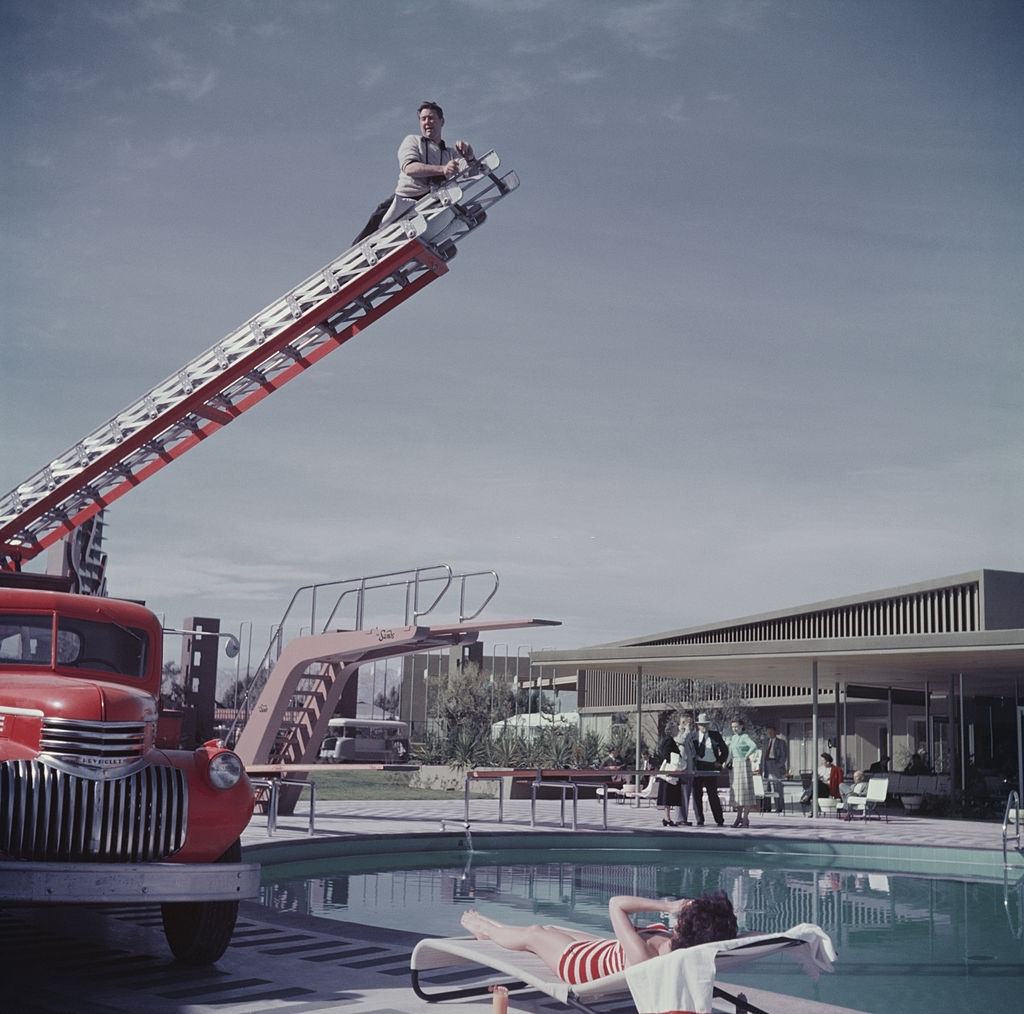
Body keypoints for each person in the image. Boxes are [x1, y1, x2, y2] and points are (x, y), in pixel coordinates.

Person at [459, 892, 738, 985]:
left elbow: (616, 904)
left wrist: (667, 906)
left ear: (686, 930)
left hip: (579, 965)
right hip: (604, 951)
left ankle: (486, 931)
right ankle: (495, 928)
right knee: (549, 928)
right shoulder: (681, 948)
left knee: (535, 933)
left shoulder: (647, 957)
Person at [352, 100, 475, 243]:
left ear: (442, 122)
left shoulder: (450, 153)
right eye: (423, 119)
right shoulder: (412, 141)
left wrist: (470, 157)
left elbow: (471, 173)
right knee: (374, 225)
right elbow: (409, 168)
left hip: (434, 202)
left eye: (431, 118)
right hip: (405, 200)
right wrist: (443, 169)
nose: (427, 122)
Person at [689, 713, 728, 827]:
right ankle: (699, 819)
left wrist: (719, 762)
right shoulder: (693, 736)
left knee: (712, 794)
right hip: (698, 766)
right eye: (702, 724)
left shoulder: (715, 735)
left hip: (711, 766)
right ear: (698, 725)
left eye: (706, 724)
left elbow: (725, 750)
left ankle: (719, 819)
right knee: (697, 794)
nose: (704, 727)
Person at [652, 715, 684, 827]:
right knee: (668, 796)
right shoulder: (669, 740)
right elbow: (666, 754)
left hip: (667, 771)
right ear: (672, 730)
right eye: (676, 729)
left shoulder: (666, 740)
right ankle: (667, 818)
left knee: (668, 796)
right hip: (669, 771)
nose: (677, 731)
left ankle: (667, 818)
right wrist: (673, 762)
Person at [726, 719, 758, 828]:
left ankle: (745, 818)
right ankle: (738, 817)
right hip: (735, 766)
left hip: (743, 765)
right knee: (738, 794)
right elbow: (730, 753)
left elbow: (753, 746)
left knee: (745, 793)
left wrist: (746, 755)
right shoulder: (733, 738)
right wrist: (726, 762)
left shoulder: (745, 737)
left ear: (741, 726)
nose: (734, 729)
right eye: (733, 727)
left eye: (736, 727)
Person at [673, 714, 697, 826]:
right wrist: (687, 730)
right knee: (681, 793)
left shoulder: (690, 735)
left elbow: (693, 752)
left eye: (689, 723)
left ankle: (684, 818)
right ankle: (679, 818)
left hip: (689, 768)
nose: (687, 725)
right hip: (681, 768)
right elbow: (681, 740)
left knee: (686, 794)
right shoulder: (678, 734)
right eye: (684, 723)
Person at [760, 725, 788, 813]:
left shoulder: (781, 742)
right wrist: (761, 768)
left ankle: (779, 807)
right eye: (768, 732)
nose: (770, 733)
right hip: (766, 765)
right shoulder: (765, 742)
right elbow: (762, 756)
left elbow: (783, 756)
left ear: (775, 732)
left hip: (776, 765)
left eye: (771, 732)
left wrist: (777, 766)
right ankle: (766, 807)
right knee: (766, 787)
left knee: (777, 788)